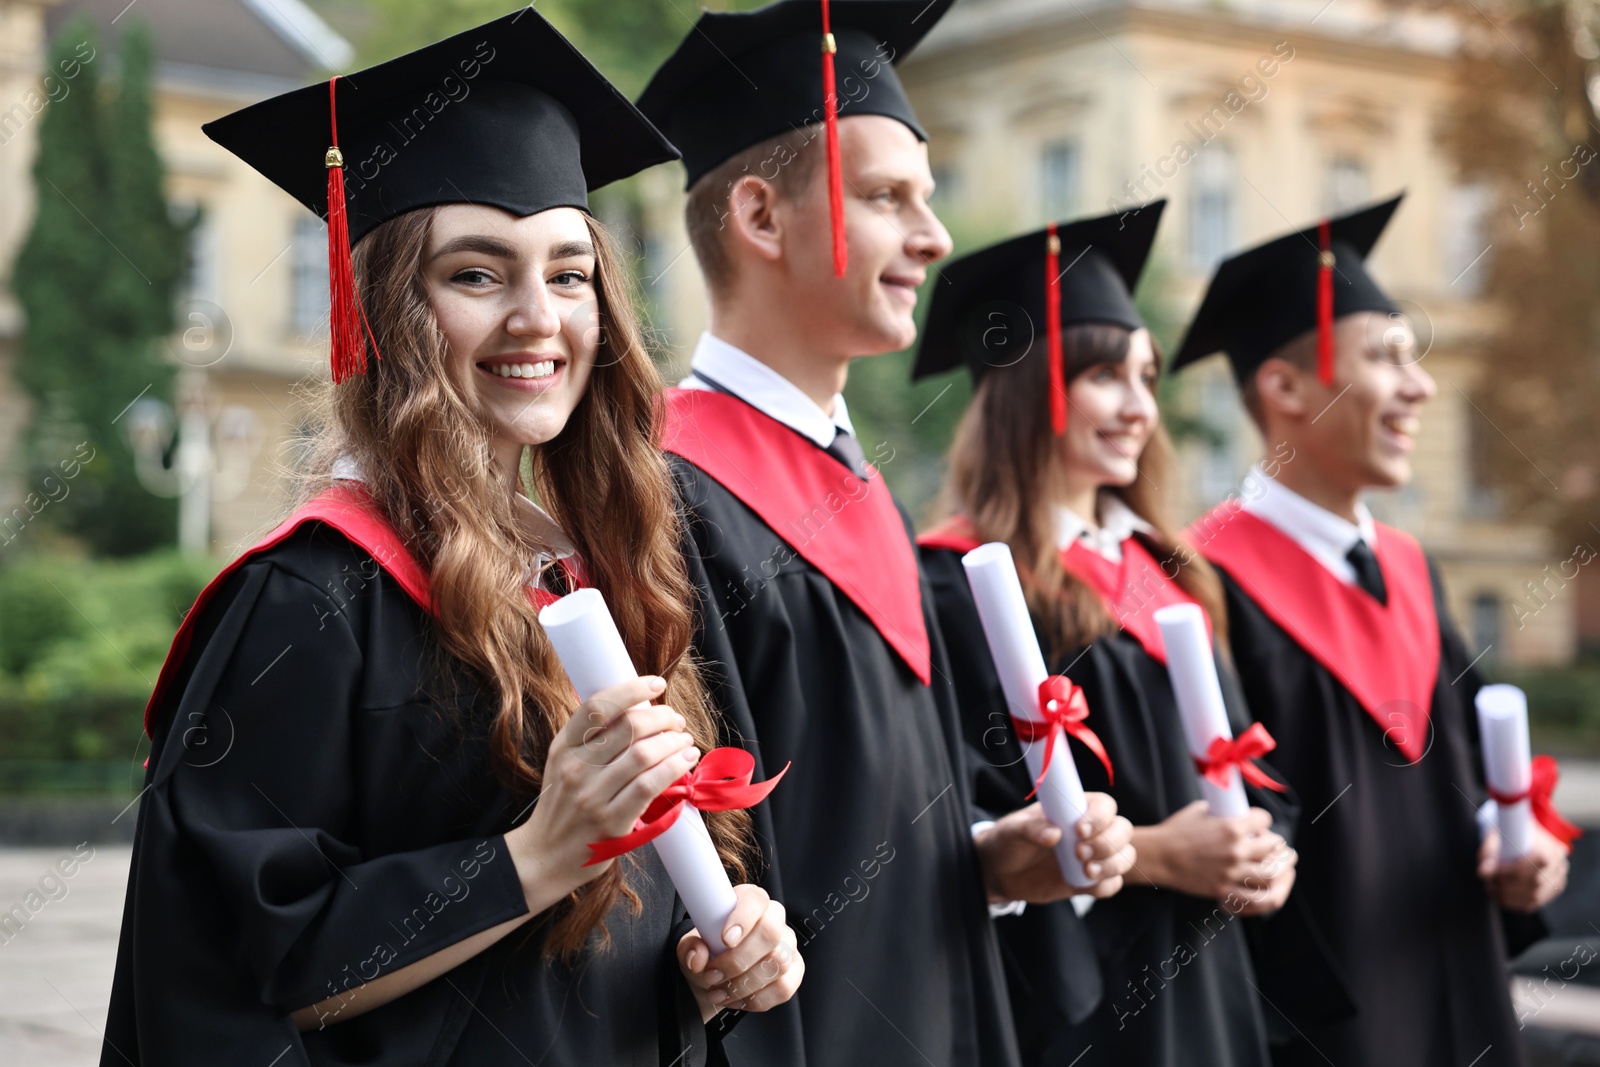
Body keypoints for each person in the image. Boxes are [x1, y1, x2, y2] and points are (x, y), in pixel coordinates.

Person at [102, 13, 800, 1065]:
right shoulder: (307, 598)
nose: (537, 317)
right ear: (385, 311)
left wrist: (708, 974)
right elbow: (253, 970)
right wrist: (541, 850)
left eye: (568, 275)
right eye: (476, 275)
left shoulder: (593, 576)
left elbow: (563, 982)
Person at [635, 3, 1136, 1065]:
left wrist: (1006, 856)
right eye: (885, 199)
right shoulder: (661, 499)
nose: (935, 237)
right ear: (761, 220)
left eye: (929, 199)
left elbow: (882, 822)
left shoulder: (866, 498)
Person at [1171, 193, 1570, 1067]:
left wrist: (1523, 849)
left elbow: (1477, 780)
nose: (1420, 384)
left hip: (1464, 994)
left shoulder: (1410, 566)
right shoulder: (1202, 584)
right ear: (1283, 387)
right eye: (1387, 357)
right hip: (1317, 1030)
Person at [915, 204, 1297, 1067]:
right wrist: (1160, 854)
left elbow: (1247, 760)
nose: (1139, 408)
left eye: (1148, 377)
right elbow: (970, 822)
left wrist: (1267, 849)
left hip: (1213, 988)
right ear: (1031, 386)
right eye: (1106, 378)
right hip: (1085, 1004)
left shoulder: (1174, 572)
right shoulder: (956, 583)